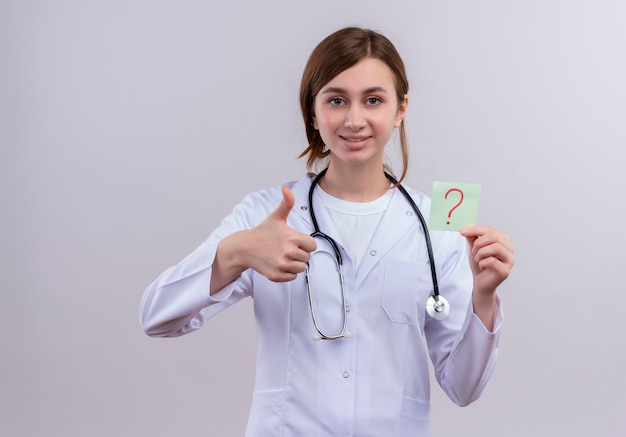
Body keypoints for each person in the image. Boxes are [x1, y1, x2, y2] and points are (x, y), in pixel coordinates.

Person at [140, 26, 515, 437]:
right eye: (336, 100)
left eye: (373, 100)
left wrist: (484, 297)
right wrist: (236, 253)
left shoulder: (439, 225)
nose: (355, 120)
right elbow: (156, 318)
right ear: (313, 113)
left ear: (400, 108)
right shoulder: (267, 214)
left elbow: (463, 388)